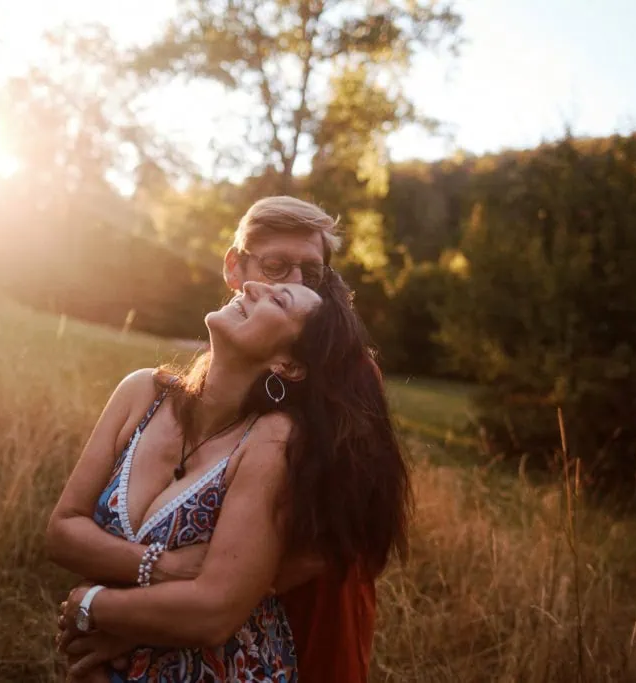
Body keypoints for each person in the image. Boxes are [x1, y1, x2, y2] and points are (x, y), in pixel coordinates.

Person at [51, 197, 405, 681]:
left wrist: (130, 622)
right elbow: (66, 530)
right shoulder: (192, 379)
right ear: (235, 269)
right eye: (275, 266)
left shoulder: (342, 371)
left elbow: (341, 534)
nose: (294, 282)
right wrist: (153, 589)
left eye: (311, 272)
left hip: (304, 613)